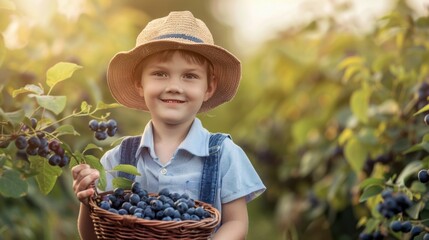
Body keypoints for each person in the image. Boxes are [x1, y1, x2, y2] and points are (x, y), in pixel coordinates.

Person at [72, 11, 266, 240]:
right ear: (139, 84)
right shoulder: (118, 160)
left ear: (209, 87)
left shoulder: (224, 155)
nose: (174, 86)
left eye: (190, 76)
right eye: (160, 74)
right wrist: (87, 201)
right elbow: (93, 235)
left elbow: (236, 223)